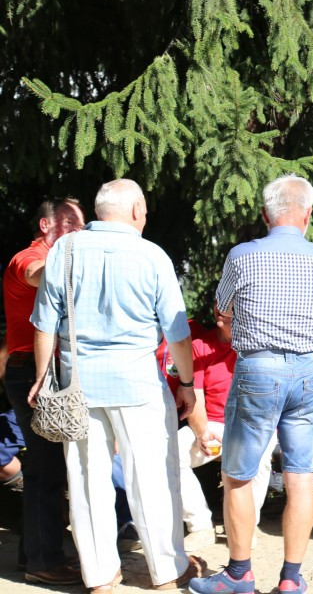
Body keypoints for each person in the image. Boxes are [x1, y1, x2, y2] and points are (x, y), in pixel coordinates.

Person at [29, 179, 204, 592]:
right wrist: (186, 382)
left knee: (86, 479)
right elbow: (177, 334)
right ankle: (167, 570)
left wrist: (41, 378)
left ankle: (99, 576)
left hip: (77, 385)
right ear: (137, 211)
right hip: (138, 384)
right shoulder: (152, 255)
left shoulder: (64, 250)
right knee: (152, 477)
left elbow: (44, 325)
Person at [190, 175, 313, 594]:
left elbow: (223, 310)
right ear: (308, 215)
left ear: (265, 214)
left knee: (238, 475)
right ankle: (291, 579)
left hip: (259, 369)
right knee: (300, 476)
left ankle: (239, 574)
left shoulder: (242, 256)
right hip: (310, 372)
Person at [2, 198, 84, 585]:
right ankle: (43, 561)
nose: (78, 231)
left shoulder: (57, 256)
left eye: (81, 225)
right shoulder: (28, 258)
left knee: (44, 467)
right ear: (45, 225)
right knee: (46, 469)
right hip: (31, 373)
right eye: (70, 223)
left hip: (39, 371)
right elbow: (38, 274)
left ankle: (33, 556)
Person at [161, 304, 277, 552]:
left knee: (260, 456)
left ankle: (245, 525)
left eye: (230, 307)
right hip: (214, 423)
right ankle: (200, 526)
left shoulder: (261, 345)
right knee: (169, 454)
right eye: (219, 305)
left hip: (253, 423)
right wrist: (202, 432)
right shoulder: (200, 346)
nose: (221, 311)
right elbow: (194, 394)